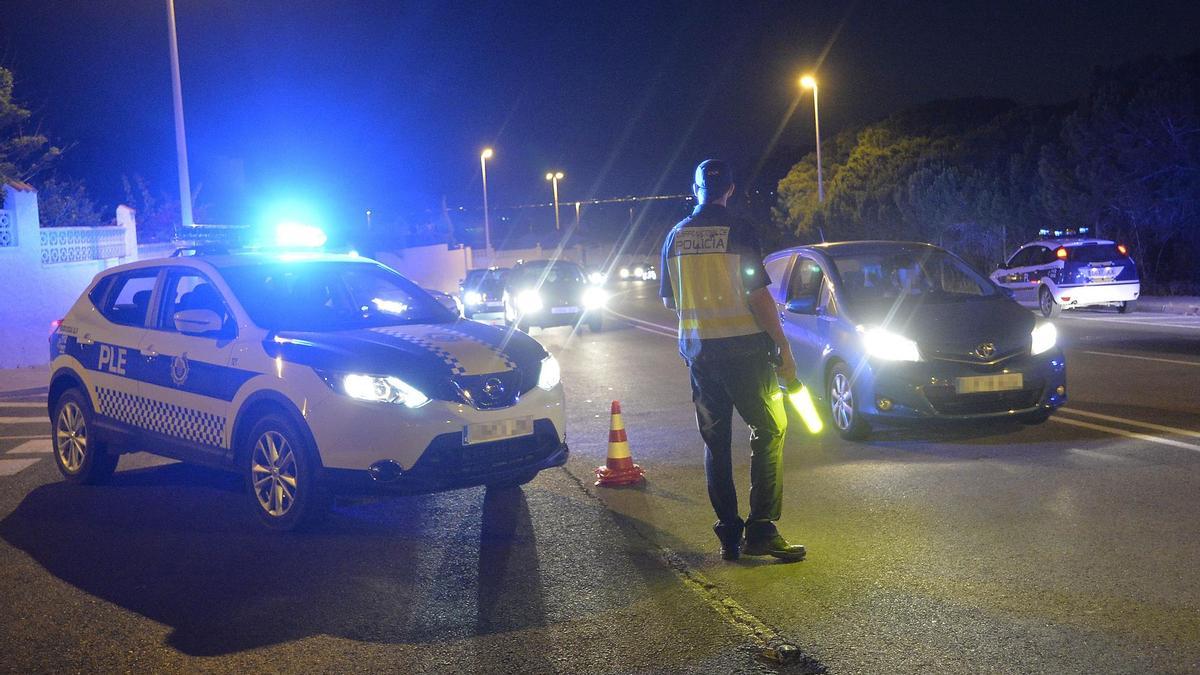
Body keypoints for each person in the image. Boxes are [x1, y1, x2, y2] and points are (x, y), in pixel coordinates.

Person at [659, 159, 806, 562]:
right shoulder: (739, 231)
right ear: (730, 190)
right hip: (744, 350)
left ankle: (728, 535)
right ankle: (761, 530)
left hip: (700, 354)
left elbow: (672, 299)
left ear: (694, 190)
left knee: (716, 442)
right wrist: (783, 347)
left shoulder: (673, 237)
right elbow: (758, 296)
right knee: (771, 428)